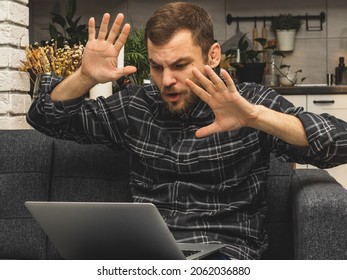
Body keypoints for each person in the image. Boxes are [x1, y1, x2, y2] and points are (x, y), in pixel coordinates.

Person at [27, 2, 347, 260]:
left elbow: (340, 142)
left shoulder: (249, 102)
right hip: (144, 258)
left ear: (213, 56)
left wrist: (257, 117)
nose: (166, 80)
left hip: (225, 254)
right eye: (157, 66)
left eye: (180, 65)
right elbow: (44, 118)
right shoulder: (136, 106)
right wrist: (84, 77)